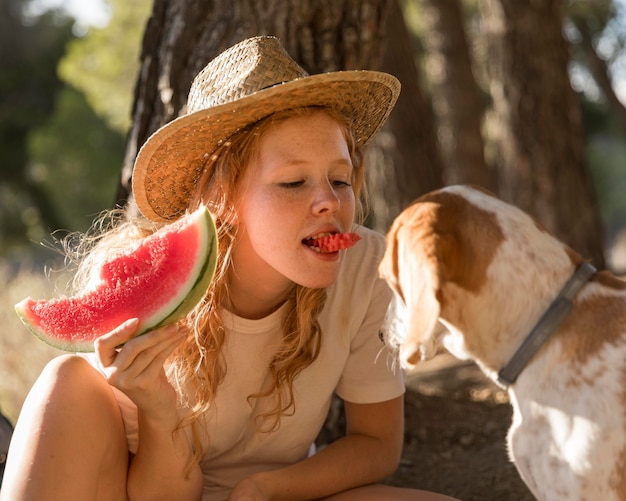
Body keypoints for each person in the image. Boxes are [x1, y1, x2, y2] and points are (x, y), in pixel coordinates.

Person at [1, 36, 460, 501]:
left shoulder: (364, 269)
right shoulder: (143, 301)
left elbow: (378, 444)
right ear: (222, 196)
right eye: (293, 182)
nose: (329, 203)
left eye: (340, 180)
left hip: (271, 497)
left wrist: (263, 489)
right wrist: (159, 412)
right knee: (66, 379)